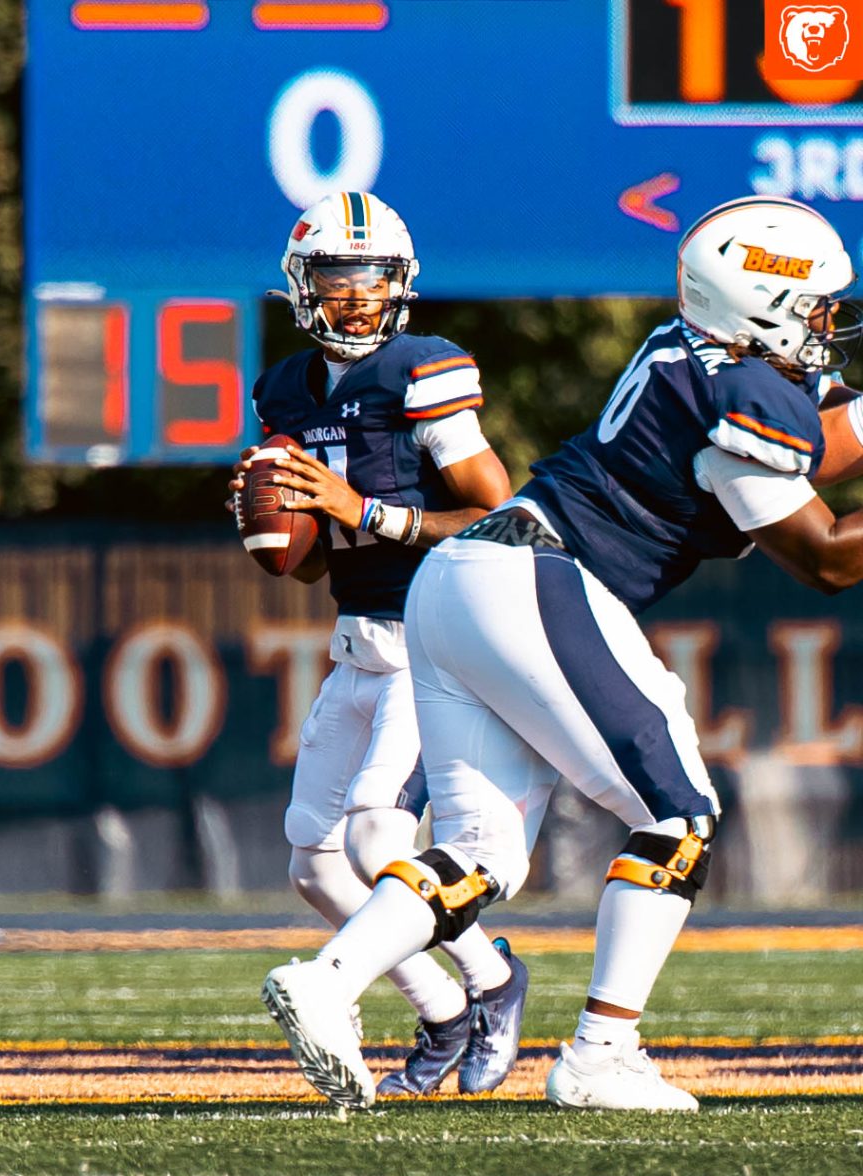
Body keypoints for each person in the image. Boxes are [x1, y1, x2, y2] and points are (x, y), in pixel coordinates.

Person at [261, 194, 863, 1111]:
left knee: (480, 852)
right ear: (762, 302)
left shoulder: (692, 355)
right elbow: (823, 557)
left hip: (463, 581)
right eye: (817, 305)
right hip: (540, 584)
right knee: (680, 815)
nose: (827, 326)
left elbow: (826, 434)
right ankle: (599, 1054)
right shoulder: (747, 394)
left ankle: (327, 981)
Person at [230, 191, 530, 1103]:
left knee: (373, 835)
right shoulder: (284, 388)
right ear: (302, 287)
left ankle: (494, 980)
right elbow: (312, 567)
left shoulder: (424, 370)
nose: (356, 300)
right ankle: (443, 1008)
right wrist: (276, 521)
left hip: (434, 641)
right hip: (357, 640)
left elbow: (499, 512)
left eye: (373, 282)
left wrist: (360, 509)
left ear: (401, 288)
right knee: (312, 859)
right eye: (337, 280)